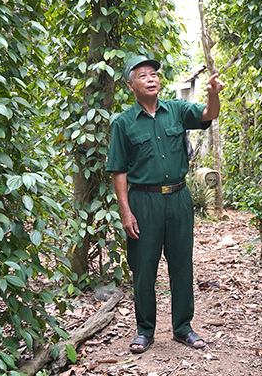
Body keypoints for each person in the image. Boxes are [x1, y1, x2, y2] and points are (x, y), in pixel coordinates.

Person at [105, 53, 224, 353]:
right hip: (143, 201)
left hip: (179, 198)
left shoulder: (177, 110)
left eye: (154, 74)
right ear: (131, 85)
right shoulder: (123, 123)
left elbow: (208, 115)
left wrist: (213, 95)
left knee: (182, 265)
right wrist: (126, 211)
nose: (151, 79)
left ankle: (183, 328)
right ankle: (145, 330)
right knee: (143, 266)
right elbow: (118, 170)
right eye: (143, 75)